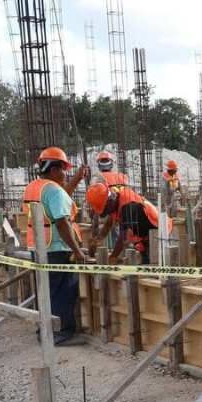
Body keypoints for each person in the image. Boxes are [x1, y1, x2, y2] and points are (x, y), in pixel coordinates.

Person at [23, 147, 89, 346]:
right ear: (53, 170)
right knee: (63, 292)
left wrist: (76, 179)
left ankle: (45, 331)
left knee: (48, 292)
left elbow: (59, 197)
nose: (65, 173)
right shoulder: (53, 191)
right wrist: (77, 251)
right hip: (57, 248)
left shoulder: (35, 187)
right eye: (63, 169)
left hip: (39, 247)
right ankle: (61, 334)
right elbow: (61, 222)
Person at [84, 182, 161, 264]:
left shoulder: (128, 206)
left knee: (151, 267)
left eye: (105, 210)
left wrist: (113, 257)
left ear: (109, 202)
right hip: (145, 236)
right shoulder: (115, 201)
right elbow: (109, 223)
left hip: (158, 237)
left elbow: (122, 238)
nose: (106, 213)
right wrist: (98, 239)